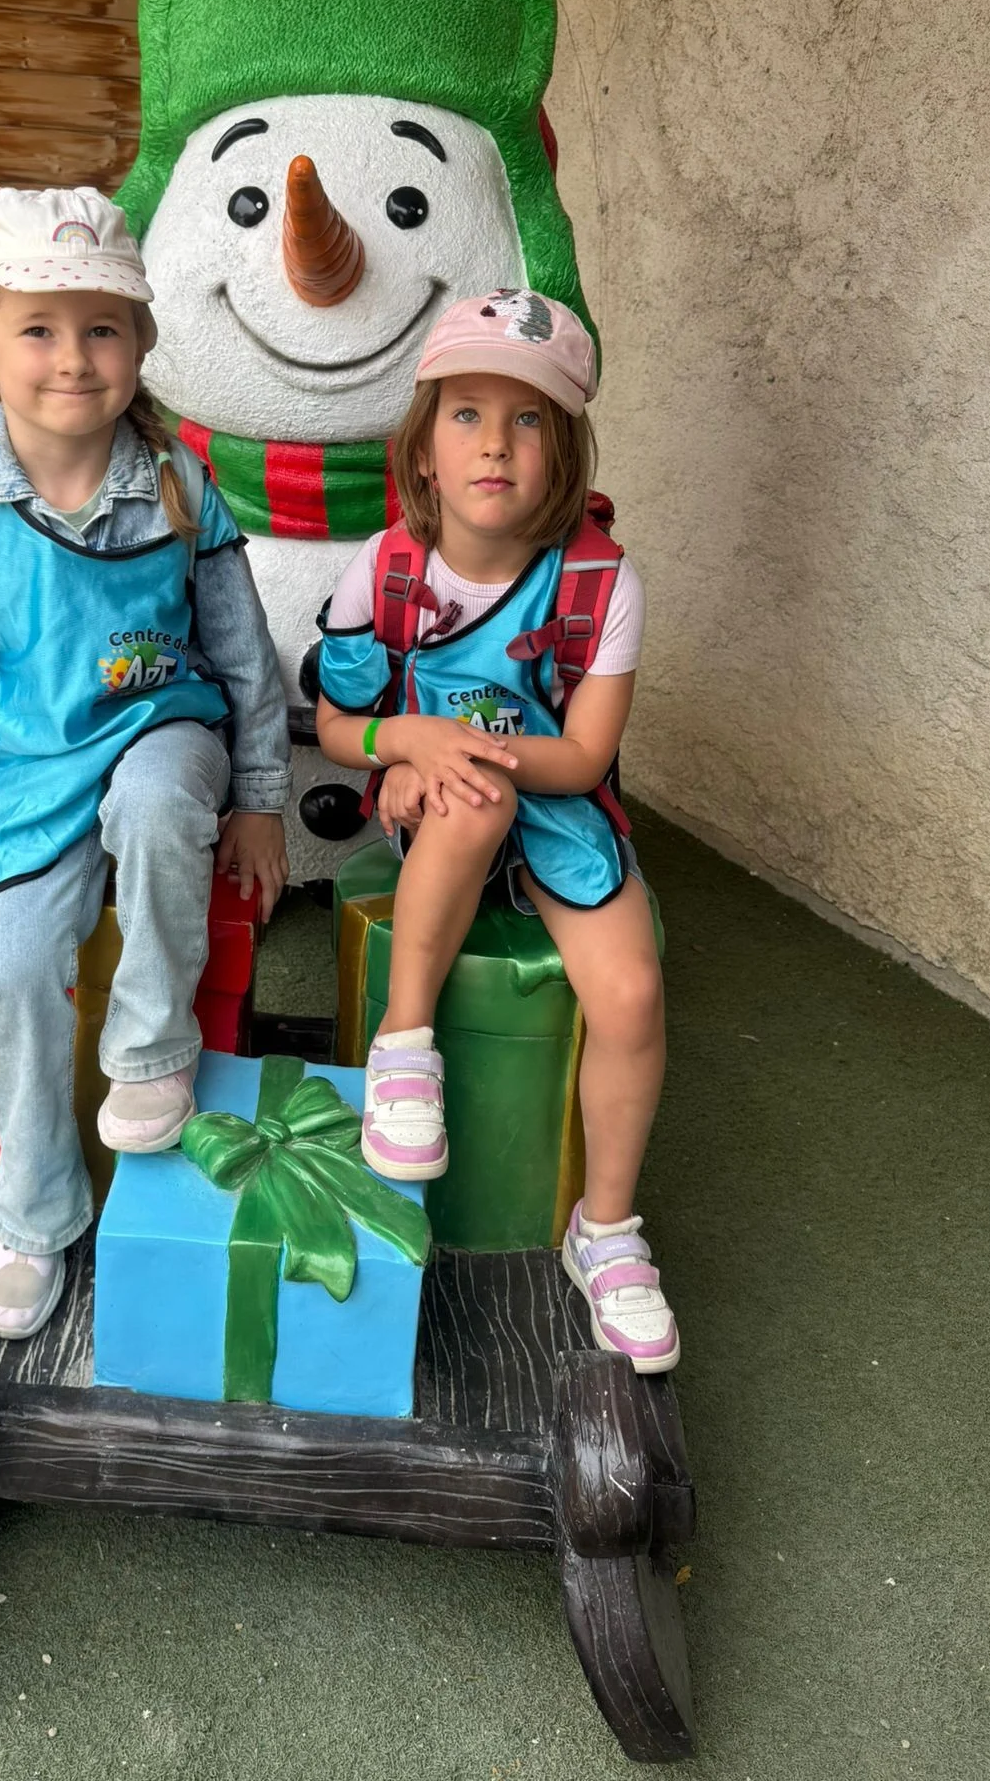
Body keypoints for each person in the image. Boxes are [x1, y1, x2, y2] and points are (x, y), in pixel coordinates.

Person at [0, 186, 290, 1339]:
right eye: (38, 328)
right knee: (13, 962)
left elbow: (243, 650)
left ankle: (153, 1049)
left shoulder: (179, 482)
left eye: (103, 328)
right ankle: (33, 1213)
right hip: (31, 771)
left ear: (140, 343)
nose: (73, 356)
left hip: (164, 725)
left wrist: (259, 798)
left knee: (162, 795)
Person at [314, 290, 678, 1372]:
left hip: (554, 797)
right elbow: (336, 726)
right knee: (473, 800)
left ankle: (604, 1230)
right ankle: (404, 1045)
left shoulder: (602, 580)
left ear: (562, 450)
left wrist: (465, 750)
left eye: (528, 420)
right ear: (422, 446)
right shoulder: (383, 567)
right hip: (446, 803)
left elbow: (584, 757)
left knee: (631, 993)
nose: (495, 443)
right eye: (467, 413)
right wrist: (406, 744)